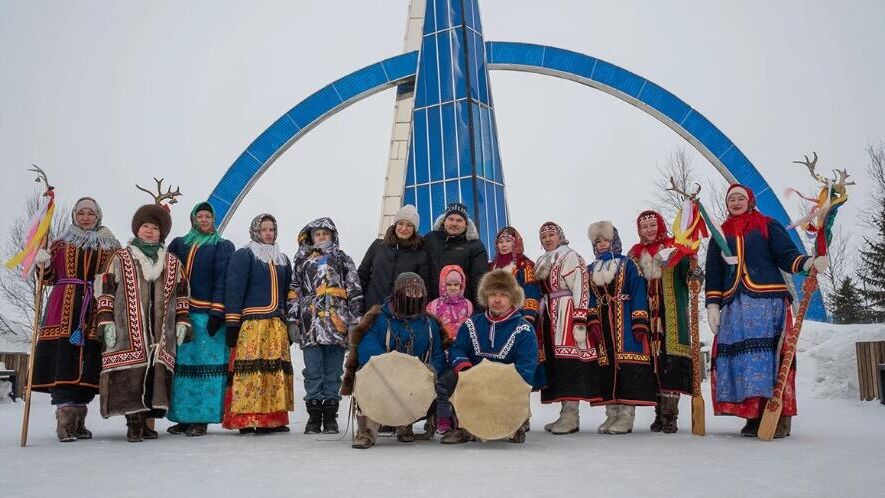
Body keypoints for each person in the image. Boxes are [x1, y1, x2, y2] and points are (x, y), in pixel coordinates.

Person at [705, 184, 827, 438]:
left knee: (770, 359)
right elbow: (714, 273)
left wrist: (809, 263)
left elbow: (787, 256)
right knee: (743, 362)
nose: (736, 202)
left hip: (767, 301)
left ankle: (778, 415)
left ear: (750, 201)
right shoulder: (720, 235)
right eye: (731, 199)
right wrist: (713, 304)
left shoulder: (767, 225)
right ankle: (752, 415)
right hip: (735, 305)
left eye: (741, 198)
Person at [94, 197, 190, 442]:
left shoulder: (171, 262)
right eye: (146, 226)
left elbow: (181, 295)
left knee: (154, 375)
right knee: (132, 375)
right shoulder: (121, 257)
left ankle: (147, 421)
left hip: (161, 333)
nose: (150, 231)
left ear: (161, 234)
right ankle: (133, 423)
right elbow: (105, 289)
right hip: (127, 329)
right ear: (137, 229)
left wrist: (182, 322)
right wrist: (106, 321)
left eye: (155, 228)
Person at [31, 197, 120, 442]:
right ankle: (65, 421)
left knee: (89, 362)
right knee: (64, 359)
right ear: (74, 216)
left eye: (91, 213)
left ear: (98, 216)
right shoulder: (60, 244)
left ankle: (79, 419)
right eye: (81, 213)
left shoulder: (110, 246)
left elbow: (116, 278)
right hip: (64, 307)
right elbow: (47, 279)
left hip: (94, 309)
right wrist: (43, 263)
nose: (86, 217)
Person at [342, 272, 447, 449]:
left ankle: (405, 422)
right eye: (409, 292)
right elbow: (367, 349)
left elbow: (437, 355)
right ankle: (366, 430)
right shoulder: (378, 318)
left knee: (437, 380)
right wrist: (394, 367)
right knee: (363, 375)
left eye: (417, 293)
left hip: (414, 378)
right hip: (382, 375)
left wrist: (430, 370)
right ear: (397, 293)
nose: (413, 297)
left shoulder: (429, 324)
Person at [439, 269, 539, 444]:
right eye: (492, 294)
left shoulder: (523, 329)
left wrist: (502, 380)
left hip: (507, 385)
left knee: (520, 385)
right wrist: (466, 370)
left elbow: (527, 365)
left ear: (513, 298)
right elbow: (458, 349)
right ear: (486, 297)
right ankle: (463, 426)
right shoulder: (472, 323)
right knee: (449, 377)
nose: (497, 300)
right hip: (475, 382)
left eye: (503, 295)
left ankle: (514, 423)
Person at [165, 202, 235, 437]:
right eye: (200, 216)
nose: (204, 220)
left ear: (213, 219)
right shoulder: (179, 244)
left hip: (208, 316)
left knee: (206, 368)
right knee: (182, 367)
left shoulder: (222, 246)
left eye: (208, 216)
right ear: (193, 218)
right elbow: (167, 273)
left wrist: (217, 312)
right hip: (182, 314)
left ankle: (201, 418)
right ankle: (183, 417)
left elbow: (222, 280)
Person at [289, 217, 363, 434]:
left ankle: (330, 416)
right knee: (312, 371)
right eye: (317, 234)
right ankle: (313, 417)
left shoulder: (343, 259)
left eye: (325, 233)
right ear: (311, 238)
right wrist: (293, 320)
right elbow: (294, 291)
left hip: (336, 324)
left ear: (333, 236)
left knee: (332, 372)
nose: (321, 237)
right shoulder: (302, 262)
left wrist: (354, 323)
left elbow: (355, 290)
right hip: (310, 324)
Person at [222, 213, 294, 434]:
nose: (268, 233)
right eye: (263, 229)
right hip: (252, 323)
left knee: (274, 374)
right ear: (255, 231)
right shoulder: (244, 255)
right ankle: (248, 419)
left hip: (276, 324)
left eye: (271, 229)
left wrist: (289, 321)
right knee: (252, 374)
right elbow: (234, 289)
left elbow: (288, 291)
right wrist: (232, 323)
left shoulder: (282, 258)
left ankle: (273, 419)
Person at [627, 210, 698, 433]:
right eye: (644, 227)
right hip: (646, 315)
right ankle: (658, 412)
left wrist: (694, 272)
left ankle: (670, 415)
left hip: (671, 313)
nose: (649, 230)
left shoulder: (674, 249)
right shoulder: (634, 254)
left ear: (660, 225)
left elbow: (688, 275)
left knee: (671, 362)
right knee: (653, 364)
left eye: (652, 225)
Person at [586, 221, 655, 435]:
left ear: (613, 241)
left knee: (626, 365)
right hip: (604, 322)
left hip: (624, 320)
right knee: (606, 366)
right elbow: (588, 298)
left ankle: (626, 416)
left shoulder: (628, 264)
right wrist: (593, 320)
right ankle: (611, 414)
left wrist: (639, 321)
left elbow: (638, 292)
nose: (602, 244)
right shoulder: (590, 269)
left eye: (606, 240)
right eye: (598, 241)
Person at [535, 222, 597, 435]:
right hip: (550, 313)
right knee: (558, 364)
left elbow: (581, 286)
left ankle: (572, 415)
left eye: (551, 235)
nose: (547, 239)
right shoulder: (543, 260)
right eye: (543, 237)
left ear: (560, 236)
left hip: (566, 310)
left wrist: (580, 318)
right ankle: (564, 413)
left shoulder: (569, 256)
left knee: (569, 361)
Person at [489, 226, 544, 392]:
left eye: (508, 241)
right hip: (494, 321)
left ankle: (522, 412)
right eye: (500, 241)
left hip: (516, 319)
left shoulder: (525, 265)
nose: (504, 244)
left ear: (516, 243)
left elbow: (531, 291)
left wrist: (528, 317)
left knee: (519, 365)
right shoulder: (491, 267)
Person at [424, 264, 472, 434]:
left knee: (456, 385)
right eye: (449, 284)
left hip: (459, 352)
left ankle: (457, 417)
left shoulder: (468, 305)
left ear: (462, 285)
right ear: (443, 285)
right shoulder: (434, 305)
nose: (452, 288)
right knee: (439, 385)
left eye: (456, 285)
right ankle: (438, 418)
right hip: (439, 351)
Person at [357, 204, 429, 311]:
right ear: (395, 225)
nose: (404, 228)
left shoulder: (419, 254)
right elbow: (362, 276)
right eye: (401, 223)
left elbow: (423, 288)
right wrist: (358, 306)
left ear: (415, 229)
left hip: (401, 314)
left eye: (409, 225)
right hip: (371, 311)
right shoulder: (377, 246)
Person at [423, 202, 488, 308]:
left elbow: (479, 279)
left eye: (459, 220)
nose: (454, 223)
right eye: (451, 219)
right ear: (444, 221)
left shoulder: (475, 245)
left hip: (462, 309)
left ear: (466, 224)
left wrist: (478, 310)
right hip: (432, 306)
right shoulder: (430, 239)